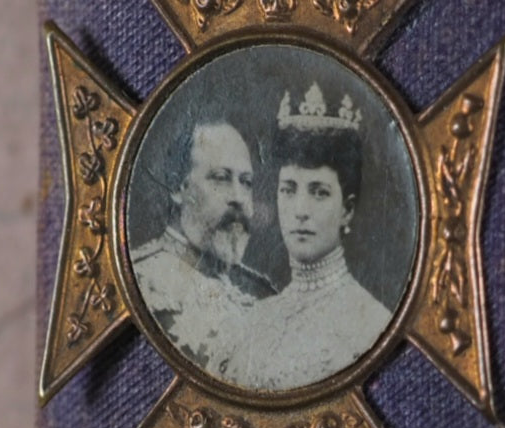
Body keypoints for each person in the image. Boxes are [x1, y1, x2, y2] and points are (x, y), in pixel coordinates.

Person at [224, 83, 392, 391]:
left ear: (347, 210)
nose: (300, 210)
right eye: (289, 190)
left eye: (319, 192)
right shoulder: (257, 318)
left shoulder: (370, 323)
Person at [131, 118, 273, 377]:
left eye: (247, 182)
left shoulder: (259, 292)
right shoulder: (145, 282)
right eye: (221, 178)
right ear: (178, 187)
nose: (239, 198)